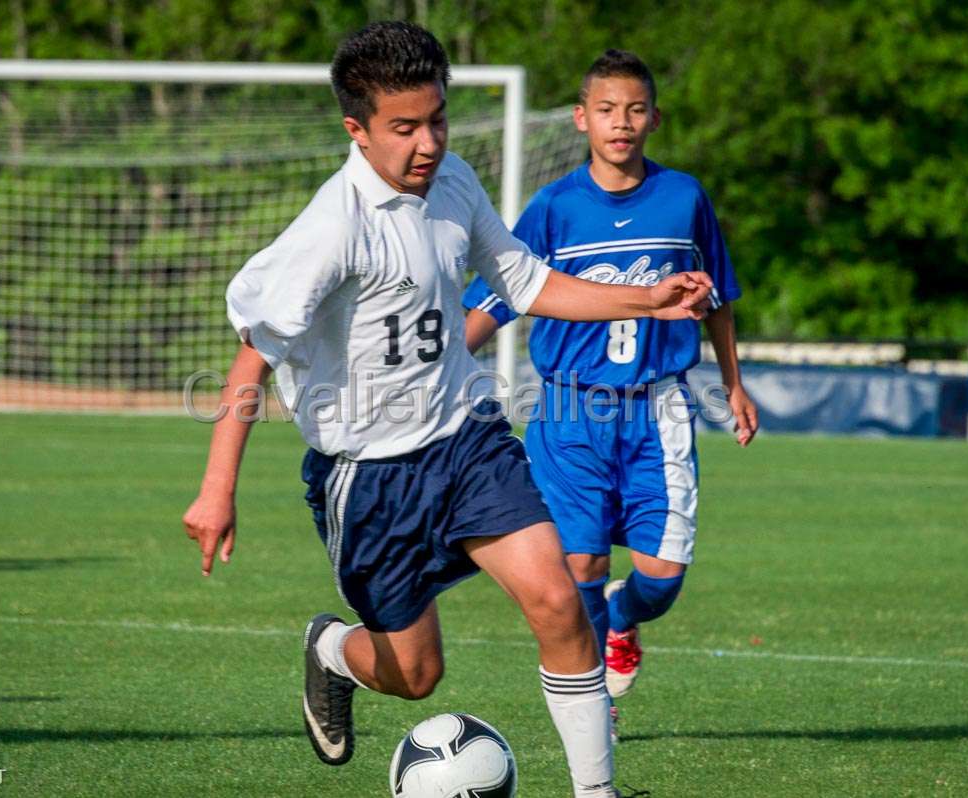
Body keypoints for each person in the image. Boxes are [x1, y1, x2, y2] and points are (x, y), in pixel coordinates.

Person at [182, 24, 714, 798]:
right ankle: (333, 652)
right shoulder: (334, 228)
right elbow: (251, 358)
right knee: (415, 675)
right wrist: (216, 487)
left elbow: (526, 284)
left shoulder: (456, 181)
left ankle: (597, 794)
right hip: (368, 479)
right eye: (404, 128)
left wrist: (648, 299)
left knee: (560, 598)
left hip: (466, 439)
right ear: (356, 131)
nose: (427, 142)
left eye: (436, 119)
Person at [462, 50, 758, 731]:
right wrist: (442, 360)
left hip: (659, 409)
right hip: (568, 412)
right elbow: (501, 296)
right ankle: (592, 702)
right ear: (580, 119)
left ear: (654, 117)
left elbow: (718, 299)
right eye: (605, 110)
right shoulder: (554, 207)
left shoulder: (684, 198)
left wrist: (733, 385)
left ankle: (627, 618)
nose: (620, 122)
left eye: (633, 109)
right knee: (581, 561)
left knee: (662, 577)